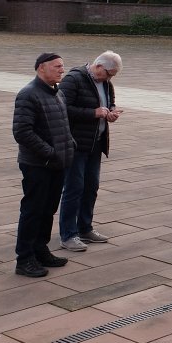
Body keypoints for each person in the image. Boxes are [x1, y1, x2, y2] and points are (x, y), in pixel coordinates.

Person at [12, 53, 75, 277]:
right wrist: (50, 153)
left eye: (62, 66)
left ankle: (40, 249)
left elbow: (63, 126)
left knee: (48, 210)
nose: (62, 70)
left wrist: (70, 145)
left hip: (56, 164)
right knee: (33, 211)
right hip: (37, 165)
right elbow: (22, 132)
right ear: (41, 68)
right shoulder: (28, 94)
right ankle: (24, 259)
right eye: (57, 66)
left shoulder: (57, 92)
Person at [58, 51, 123, 252]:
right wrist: (93, 113)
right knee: (74, 188)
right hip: (76, 144)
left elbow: (109, 102)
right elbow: (61, 108)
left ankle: (85, 228)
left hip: (95, 143)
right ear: (99, 66)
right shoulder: (73, 79)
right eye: (109, 74)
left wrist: (111, 112)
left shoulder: (106, 83)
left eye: (112, 75)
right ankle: (68, 234)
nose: (109, 78)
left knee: (91, 187)